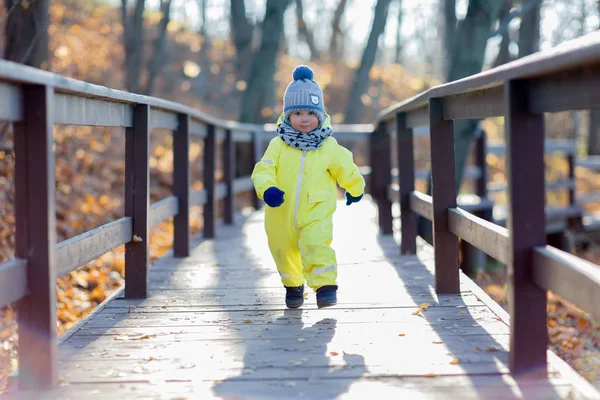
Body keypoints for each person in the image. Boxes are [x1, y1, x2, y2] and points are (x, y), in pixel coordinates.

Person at [251, 65, 365, 309]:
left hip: (317, 208)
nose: (305, 118)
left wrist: (355, 188)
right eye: (298, 113)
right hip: (281, 212)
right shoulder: (278, 145)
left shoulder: (328, 146)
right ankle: (293, 284)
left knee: (315, 244)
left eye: (311, 113)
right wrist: (267, 188)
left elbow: (346, 167)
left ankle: (325, 287)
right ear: (288, 116)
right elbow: (264, 169)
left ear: (320, 115)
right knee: (282, 249)